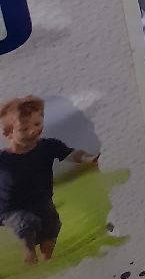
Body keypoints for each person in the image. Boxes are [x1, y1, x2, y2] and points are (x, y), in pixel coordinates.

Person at [0, 96, 98, 265]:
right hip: (11, 208)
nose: (33, 131)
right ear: (8, 134)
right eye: (24, 129)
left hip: (41, 200)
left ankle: (46, 260)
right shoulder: (3, 159)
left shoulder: (49, 146)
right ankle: (29, 248)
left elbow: (72, 154)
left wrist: (87, 158)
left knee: (51, 227)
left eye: (37, 124)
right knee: (26, 222)